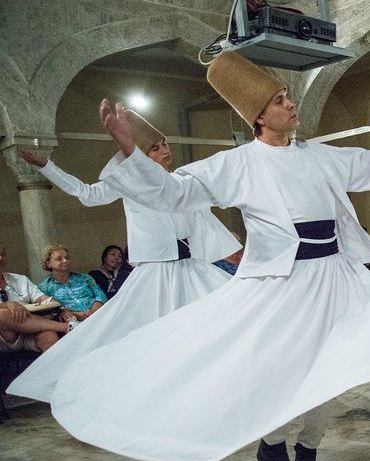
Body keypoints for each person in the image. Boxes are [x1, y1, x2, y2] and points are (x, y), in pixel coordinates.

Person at [44, 51, 370, 461]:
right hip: (284, 283)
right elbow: (176, 193)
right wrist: (130, 152)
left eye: (288, 97)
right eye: (279, 100)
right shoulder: (236, 164)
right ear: (258, 116)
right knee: (290, 370)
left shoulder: (319, 156)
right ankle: (272, 441)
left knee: (338, 366)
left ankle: (309, 445)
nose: (290, 105)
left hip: (336, 277)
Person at [10, 113, 240, 403]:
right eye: (155, 147)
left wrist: (235, 255)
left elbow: (204, 221)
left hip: (189, 268)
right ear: (140, 157)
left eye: (165, 143)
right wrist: (47, 166)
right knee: (149, 336)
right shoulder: (128, 184)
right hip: (155, 274)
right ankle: (158, 393)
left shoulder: (180, 182)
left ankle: (208, 388)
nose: (165, 149)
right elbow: (87, 194)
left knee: (216, 321)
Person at [0, 241, 74, 354]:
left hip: (27, 332)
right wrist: (9, 304)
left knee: (49, 336)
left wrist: (61, 309)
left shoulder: (20, 279)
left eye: (3, 254)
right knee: (2, 314)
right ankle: (65, 327)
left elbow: (42, 298)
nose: (0, 258)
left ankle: (56, 370)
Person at [37, 244, 106, 321]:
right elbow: (49, 310)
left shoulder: (85, 278)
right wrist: (76, 315)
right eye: (59, 259)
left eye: (67, 258)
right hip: (72, 322)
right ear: (48, 263)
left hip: (99, 315)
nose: (65, 261)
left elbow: (100, 295)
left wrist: (93, 311)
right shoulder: (44, 288)